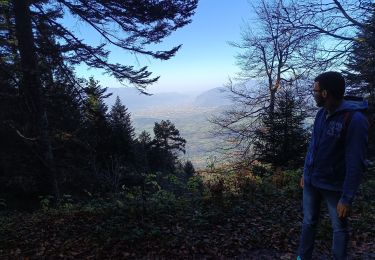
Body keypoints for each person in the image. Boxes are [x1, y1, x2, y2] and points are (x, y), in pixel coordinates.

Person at [297, 71, 369, 259]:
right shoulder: (322, 114)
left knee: (339, 228)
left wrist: (347, 198)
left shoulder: (355, 120)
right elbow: (313, 146)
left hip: (334, 187)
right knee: (308, 222)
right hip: (313, 181)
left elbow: (356, 162)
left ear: (325, 93)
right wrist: (306, 172)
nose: (313, 93)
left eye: (315, 90)